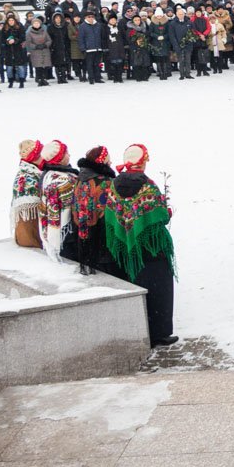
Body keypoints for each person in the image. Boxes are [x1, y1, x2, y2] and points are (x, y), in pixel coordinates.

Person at [106, 144, 177, 346]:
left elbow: (112, 213)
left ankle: (141, 329)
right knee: (159, 287)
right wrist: (167, 212)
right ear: (142, 161)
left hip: (127, 245)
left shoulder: (114, 185)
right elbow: (159, 216)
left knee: (137, 282)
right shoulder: (148, 186)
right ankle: (160, 332)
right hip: (152, 246)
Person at [75, 146, 116, 276]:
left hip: (82, 235)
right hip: (102, 239)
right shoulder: (106, 182)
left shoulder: (80, 179)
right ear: (102, 161)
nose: (110, 163)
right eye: (108, 160)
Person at [38, 140, 79, 263]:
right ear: (60, 158)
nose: (69, 155)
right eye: (66, 153)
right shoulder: (66, 179)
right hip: (67, 233)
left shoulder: (47, 175)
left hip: (53, 231)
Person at [11, 140, 44, 248]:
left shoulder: (24, 173)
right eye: (41, 154)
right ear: (34, 157)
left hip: (23, 236)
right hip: (32, 237)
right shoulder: (30, 176)